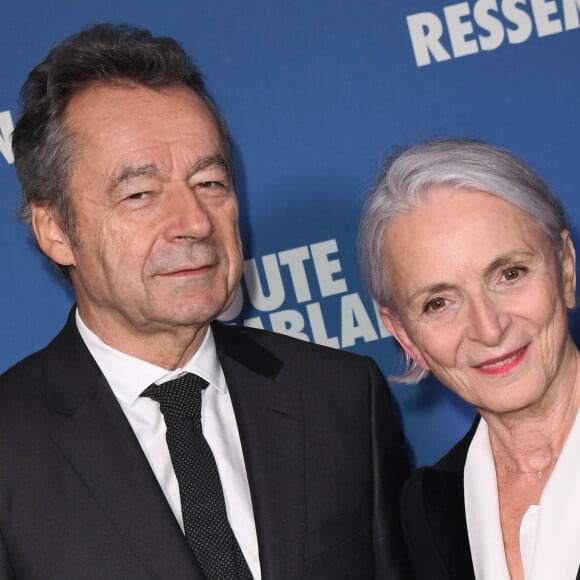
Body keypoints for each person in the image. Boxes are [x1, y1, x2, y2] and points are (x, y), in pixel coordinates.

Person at [0, 24, 410, 580]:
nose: (194, 222)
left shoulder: (340, 397)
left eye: (211, 183)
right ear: (55, 230)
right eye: (140, 194)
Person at [360, 139, 580, 580]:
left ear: (566, 268)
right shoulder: (425, 508)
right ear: (405, 335)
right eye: (438, 302)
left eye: (510, 274)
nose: (489, 328)